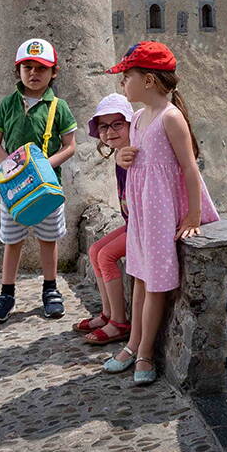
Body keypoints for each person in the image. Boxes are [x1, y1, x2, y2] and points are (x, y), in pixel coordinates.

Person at [100, 41, 218, 386]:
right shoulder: (137, 119)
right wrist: (123, 157)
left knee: (154, 283)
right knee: (138, 275)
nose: (123, 84)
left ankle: (146, 352)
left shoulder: (171, 117)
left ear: (148, 80)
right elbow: (134, 157)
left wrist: (193, 217)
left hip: (162, 212)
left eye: (127, 77)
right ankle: (133, 342)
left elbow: (189, 167)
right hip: (142, 212)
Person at [0, 37, 79, 323]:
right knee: (12, 240)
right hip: (15, 189)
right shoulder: (7, 104)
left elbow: (70, 145)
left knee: (48, 240)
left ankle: (50, 289)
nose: (34, 74)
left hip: (48, 188)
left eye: (41, 68)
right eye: (28, 67)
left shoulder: (58, 107)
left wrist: (43, 167)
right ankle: (6, 293)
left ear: (54, 72)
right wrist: (13, 169)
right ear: (19, 70)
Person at [72, 93, 134, 345]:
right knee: (96, 248)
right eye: (104, 126)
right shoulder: (120, 155)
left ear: (130, 124)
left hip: (144, 227)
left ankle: (119, 322)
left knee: (106, 256)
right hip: (133, 223)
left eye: (117, 124)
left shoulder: (130, 154)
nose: (109, 132)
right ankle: (108, 314)